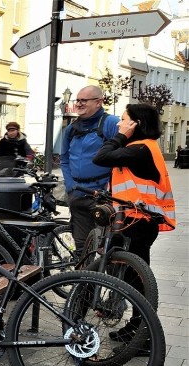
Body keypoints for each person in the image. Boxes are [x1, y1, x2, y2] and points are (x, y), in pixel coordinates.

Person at [93, 103, 176, 353]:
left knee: (138, 281)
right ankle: (136, 328)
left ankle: (143, 339)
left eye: (124, 120)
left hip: (137, 222)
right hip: (134, 220)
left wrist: (121, 136)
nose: (119, 123)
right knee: (133, 279)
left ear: (135, 124)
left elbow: (101, 157)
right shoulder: (139, 148)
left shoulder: (140, 149)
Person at [60, 85, 120, 253]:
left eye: (83, 100)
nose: (78, 104)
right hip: (77, 194)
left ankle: (105, 278)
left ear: (98, 102)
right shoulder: (72, 128)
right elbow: (64, 159)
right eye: (77, 100)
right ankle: (83, 279)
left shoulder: (111, 123)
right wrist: (70, 185)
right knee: (81, 246)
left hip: (102, 196)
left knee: (107, 246)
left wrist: (110, 187)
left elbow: (122, 157)